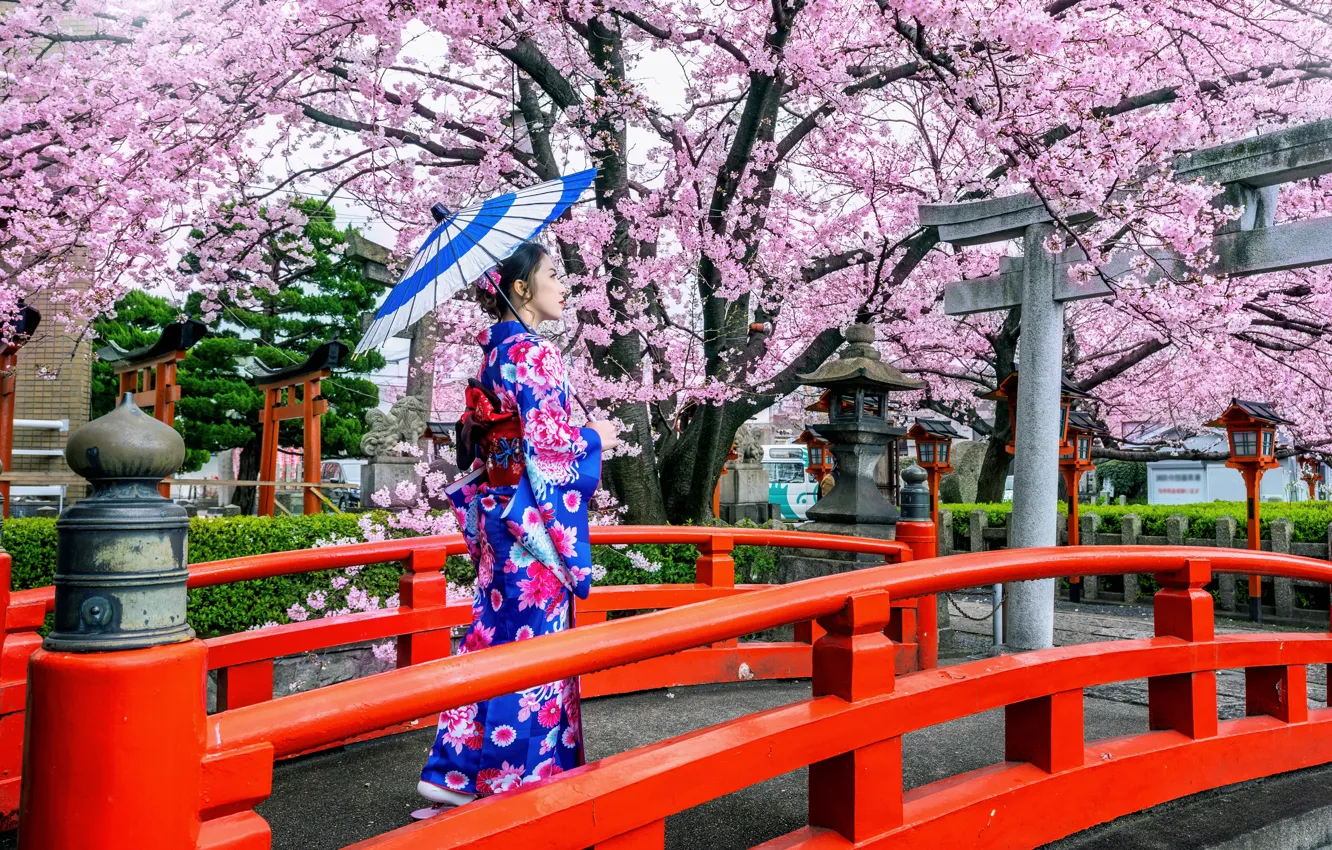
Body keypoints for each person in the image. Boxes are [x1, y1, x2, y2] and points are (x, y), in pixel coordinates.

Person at [413, 242, 619, 819]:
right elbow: (549, 444)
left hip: (501, 517)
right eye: (552, 275)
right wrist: (594, 436)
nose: (562, 286)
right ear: (521, 289)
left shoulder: (494, 353)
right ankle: (519, 777)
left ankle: (454, 771)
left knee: (492, 637)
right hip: (531, 526)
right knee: (531, 645)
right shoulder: (533, 353)